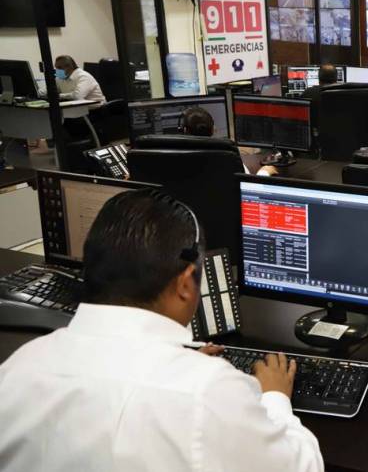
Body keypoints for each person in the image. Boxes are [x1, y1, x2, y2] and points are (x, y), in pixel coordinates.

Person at [0, 189, 324, 471]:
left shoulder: (20, 367)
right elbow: (302, 466)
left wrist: (182, 364)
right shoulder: (207, 391)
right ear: (185, 284)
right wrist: (274, 397)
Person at [180, 106, 277, 176]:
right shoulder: (227, 154)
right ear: (213, 129)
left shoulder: (175, 158)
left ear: (184, 130)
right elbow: (247, 185)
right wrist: (264, 172)